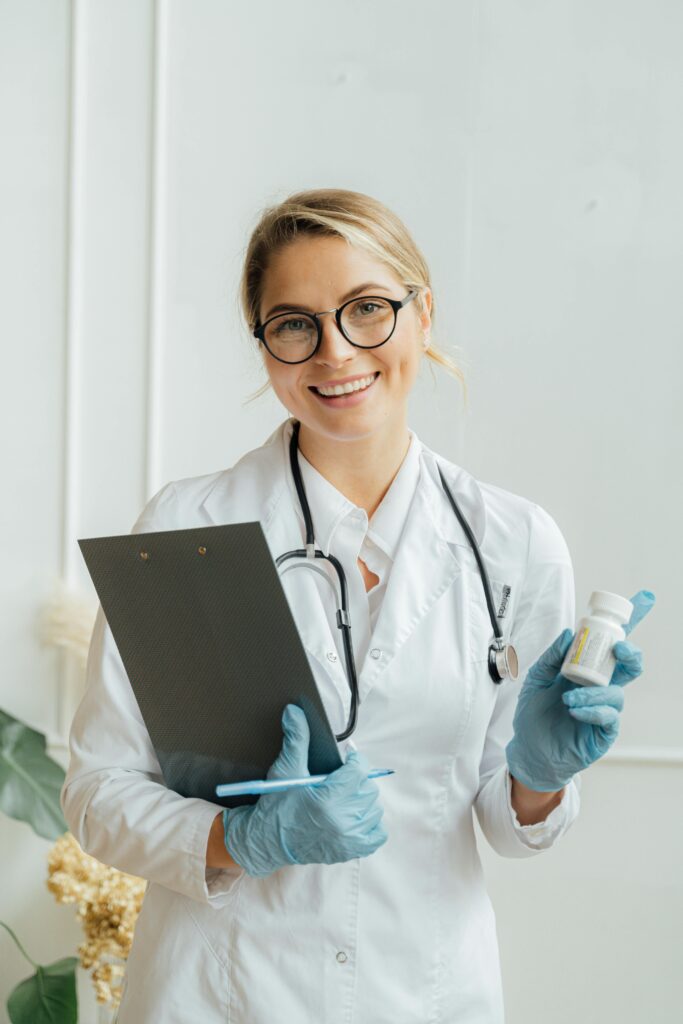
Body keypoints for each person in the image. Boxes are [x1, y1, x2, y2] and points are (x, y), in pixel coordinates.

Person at [61, 189, 653, 1023]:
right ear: (264, 344)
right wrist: (246, 839)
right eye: (294, 323)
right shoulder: (188, 527)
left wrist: (537, 776)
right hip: (220, 994)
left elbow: (504, 817)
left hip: (425, 991)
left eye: (366, 309)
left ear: (422, 314)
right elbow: (97, 793)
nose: (335, 352)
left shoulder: (514, 541)